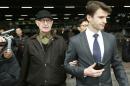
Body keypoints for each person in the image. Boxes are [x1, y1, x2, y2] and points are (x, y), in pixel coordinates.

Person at [64, 1, 129, 86]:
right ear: (89, 17)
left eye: (106, 17)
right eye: (101, 17)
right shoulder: (75, 41)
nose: (105, 21)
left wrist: (125, 84)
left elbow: (117, 65)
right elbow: (66, 65)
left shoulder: (111, 39)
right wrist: (84, 71)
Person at [18, 10, 67, 86]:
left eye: (48, 21)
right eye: (42, 21)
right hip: (35, 83)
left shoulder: (60, 41)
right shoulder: (30, 42)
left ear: (52, 23)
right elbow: (25, 66)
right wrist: (21, 83)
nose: (45, 23)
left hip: (57, 83)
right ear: (37, 23)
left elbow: (67, 62)